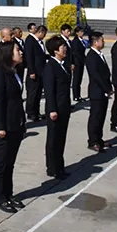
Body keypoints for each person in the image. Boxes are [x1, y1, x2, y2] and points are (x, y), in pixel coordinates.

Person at [0, 41, 27, 214]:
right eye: (17, 50)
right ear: (8, 54)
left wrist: (22, 122)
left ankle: (8, 193)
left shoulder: (15, 71)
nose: (21, 52)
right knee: (1, 163)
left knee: (10, 163)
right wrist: (0, 126)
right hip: (4, 125)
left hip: (16, 123)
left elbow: (17, 100)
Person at [43, 36, 72, 180]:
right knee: (53, 140)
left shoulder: (63, 65)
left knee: (61, 138)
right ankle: (52, 168)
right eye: (62, 47)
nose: (65, 49)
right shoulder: (50, 67)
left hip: (64, 107)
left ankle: (60, 166)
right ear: (55, 51)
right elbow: (49, 91)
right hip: (56, 109)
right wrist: (52, 109)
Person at [85, 31, 113, 152]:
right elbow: (96, 75)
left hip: (103, 91)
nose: (104, 42)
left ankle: (99, 139)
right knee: (95, 117)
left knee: (101, 116)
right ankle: (92, 141)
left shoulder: (99, 54)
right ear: (95, 42)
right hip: (97, 91)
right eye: (102, 40)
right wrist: (106, 88)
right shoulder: (91, 56)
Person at [23, 25, 48, 121]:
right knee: (32, 94)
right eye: (44, 34)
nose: (44, 36)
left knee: (38, 93)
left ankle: (36, 112)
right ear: (40, 32)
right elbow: (29, 57)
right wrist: (31, 71)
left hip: (40, 71)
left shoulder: (39, 42)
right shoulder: (30, 40)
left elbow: (40, 55)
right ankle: (31, 113)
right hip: (34, 72)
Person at [70, 26, 87, 102]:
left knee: (79, 79)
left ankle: (78, 95)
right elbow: (76, 53)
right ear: (77, 33)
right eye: (81, 32)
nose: (82, 33)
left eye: (83, 31)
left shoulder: (81, 40)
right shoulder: (76, 42)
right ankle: (76, 96)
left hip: (81, 62)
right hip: (77, 62)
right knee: (76, 79)